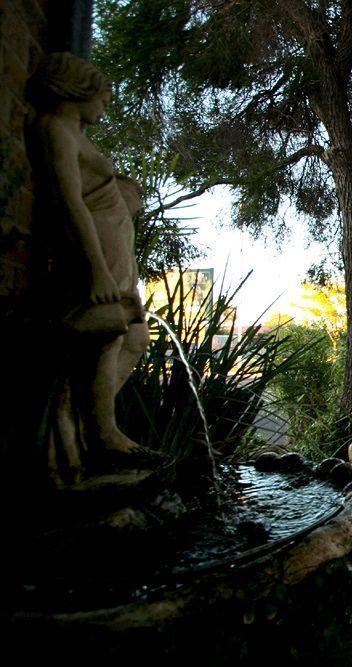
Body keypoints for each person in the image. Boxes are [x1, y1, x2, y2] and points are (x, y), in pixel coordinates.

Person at [29, 52, 152, 478]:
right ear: (77, 89)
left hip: (114, 252)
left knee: (134, 339)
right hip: (94, 253)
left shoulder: (74, 133)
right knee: (105, 336)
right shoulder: (53, 129)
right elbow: (69, 203)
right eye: (101, 96)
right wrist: (96, 268)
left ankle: (88, 421)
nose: (105, 105)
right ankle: (102, 433)